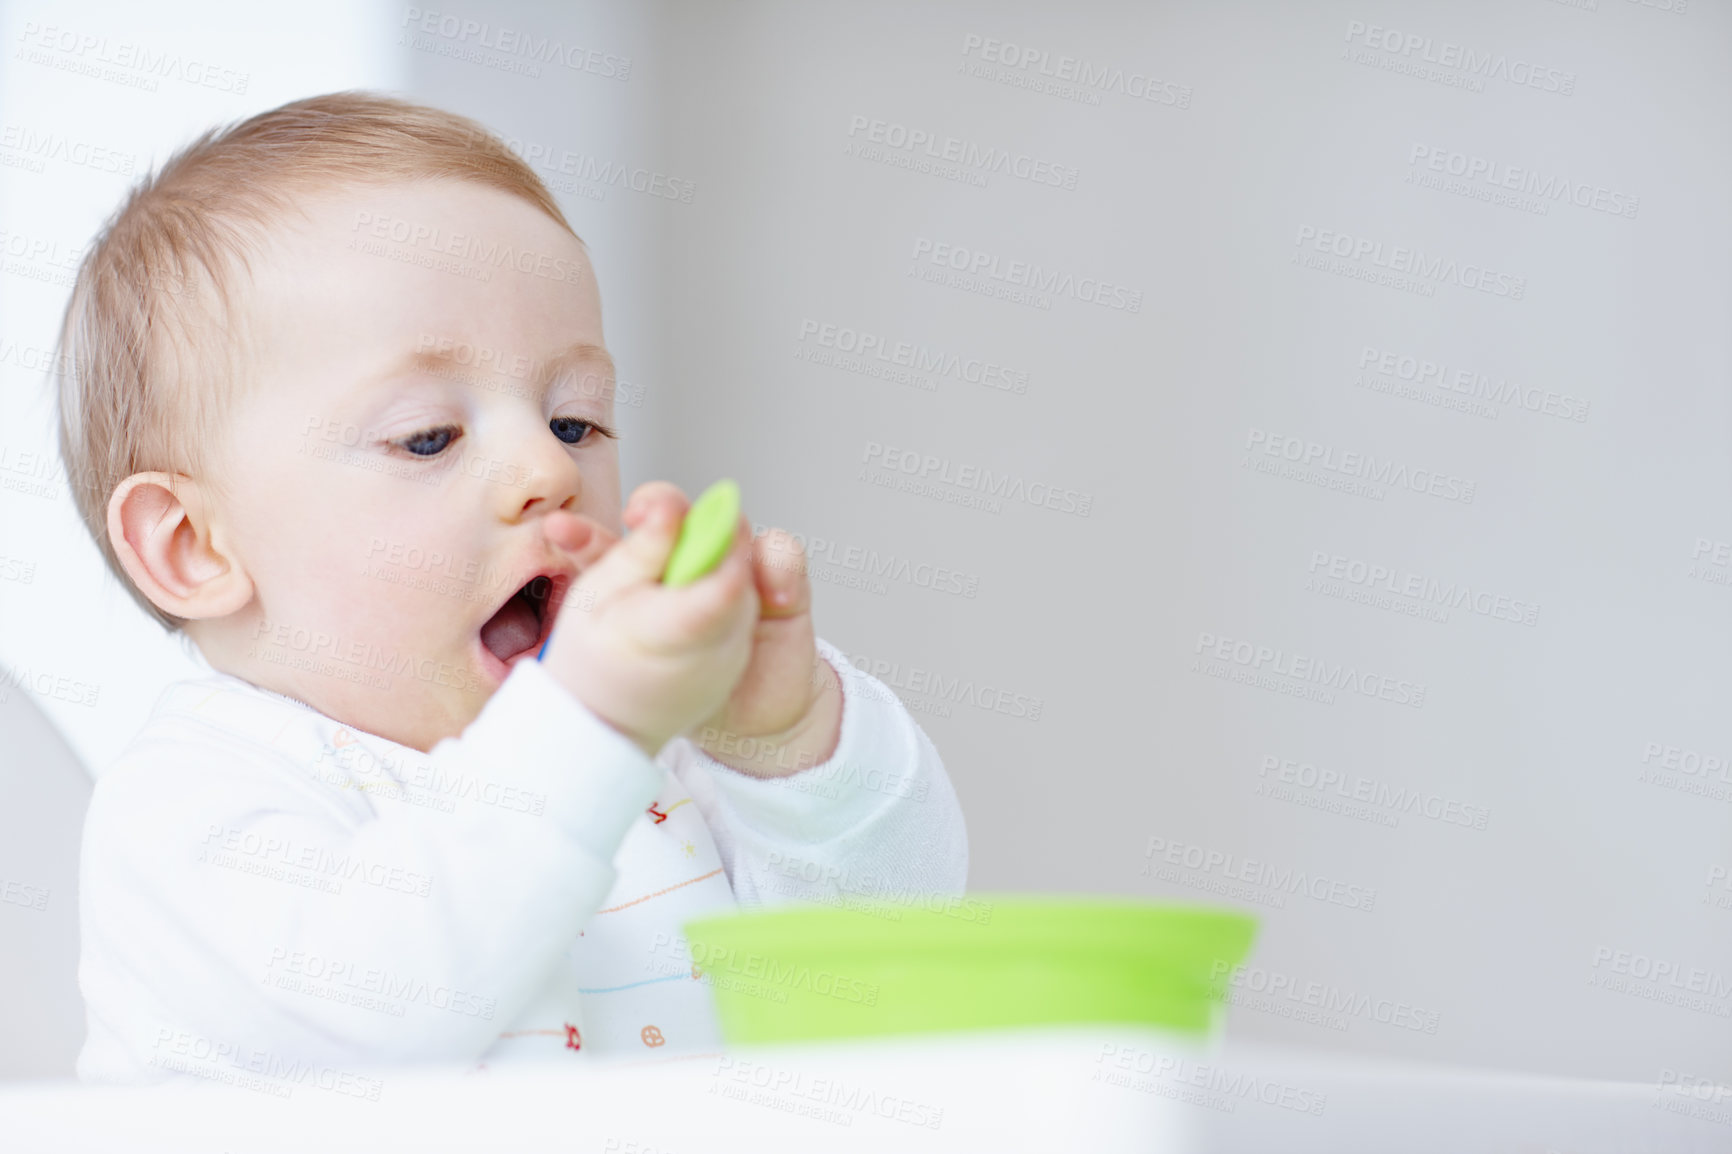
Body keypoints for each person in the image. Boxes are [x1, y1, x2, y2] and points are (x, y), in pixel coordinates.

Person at [53, 91, 967, 1088]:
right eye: (428, 437)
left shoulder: (649, 772)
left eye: (575, 421)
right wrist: (585, 725)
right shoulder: (197, 801)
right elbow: (369, 1011)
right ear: (193, 544)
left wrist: (784, 744)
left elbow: (881, 970)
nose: (548, 467)